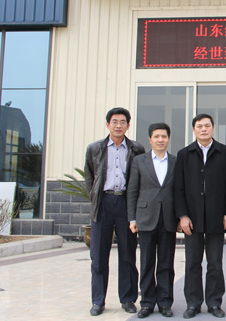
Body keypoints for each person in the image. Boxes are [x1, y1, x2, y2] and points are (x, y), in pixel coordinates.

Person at [174, 114, 226, 319]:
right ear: (194, 130)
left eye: (207, 125)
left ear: (213, 128)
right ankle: (193, 303)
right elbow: (178, 188)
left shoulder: (225, 153)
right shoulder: (184, 154)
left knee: (215, 263)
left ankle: (214, 302)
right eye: (199, 126)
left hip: (216, 216)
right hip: (191, 218)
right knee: (192, 263)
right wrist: (182, 215)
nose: (204, 129)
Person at [84, 107, 145, 316]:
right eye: (115, 122)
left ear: (128, 125)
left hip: (127, 203)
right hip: (103, 203)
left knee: (128, 254)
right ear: (107, 124)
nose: (118, 125)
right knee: (99, 255)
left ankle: (128, 299)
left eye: (122, 122)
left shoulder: (136, 149)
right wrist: (95, 199)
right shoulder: (94, 148)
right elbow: (89, 178)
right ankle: (98, 301)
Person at [127, 123, 177, 318]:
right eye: (156, 136)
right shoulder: (139, 161)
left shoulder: (176, 161)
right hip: (146, 217)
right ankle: (147, 302)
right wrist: (132, 218)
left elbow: (179, 191)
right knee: (147, 262)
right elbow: (132, 191)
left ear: (168, 139)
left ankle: (165, 302)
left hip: (168, 219)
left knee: (166, 263)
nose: (160, 140)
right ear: (150, 139)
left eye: (163, 136)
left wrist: (180, 217)